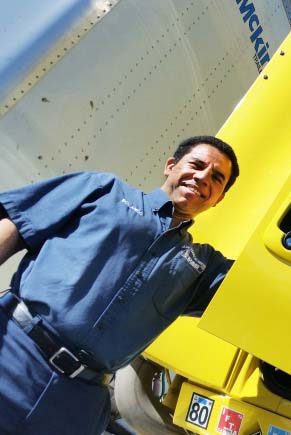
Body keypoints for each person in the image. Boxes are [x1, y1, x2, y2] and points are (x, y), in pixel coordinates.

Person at [0, 135, 239, 434]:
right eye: (197, 165)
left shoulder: (201, 267)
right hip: (13, 348)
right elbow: (15, 223)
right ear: (171, 166)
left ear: (218, 198)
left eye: (216, 178)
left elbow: (258, 286)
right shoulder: (103, 190)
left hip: (77, 404)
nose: (203, 177)